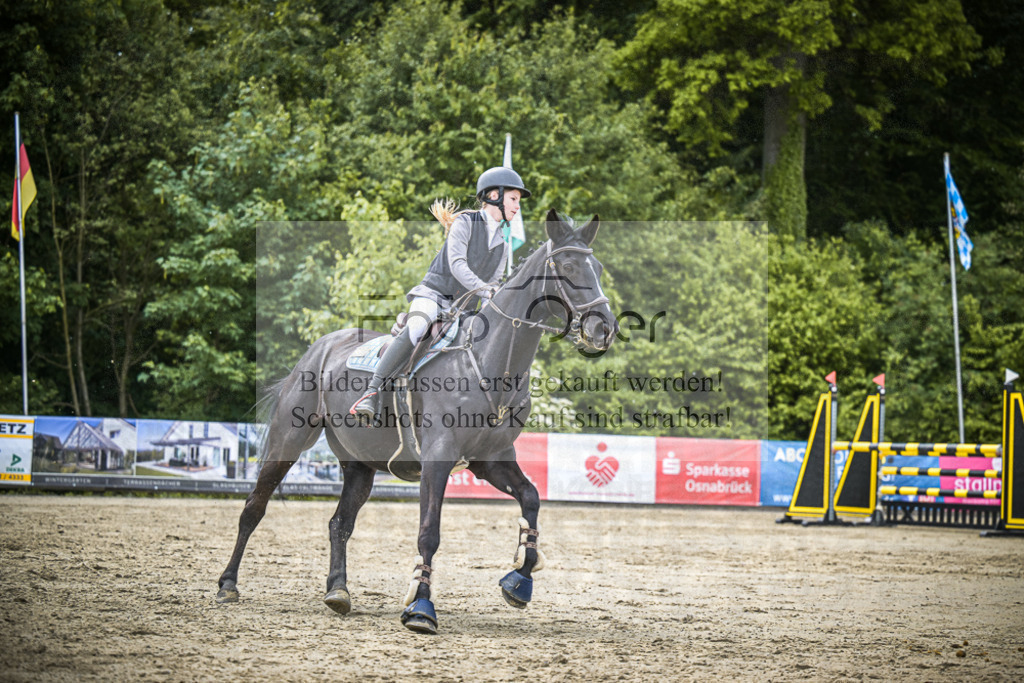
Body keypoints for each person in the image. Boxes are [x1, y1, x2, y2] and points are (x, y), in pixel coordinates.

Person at [349, 166, 530, 421]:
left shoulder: (503, 241)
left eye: (518, 201)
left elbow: (495, 281)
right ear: (493, 196)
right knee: (417, 328)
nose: (517, 206)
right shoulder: (465, 223)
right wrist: (488, 289)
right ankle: (371, 392)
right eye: (514, 199)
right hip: (433, 296)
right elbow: (457, 265)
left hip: (464, 309)